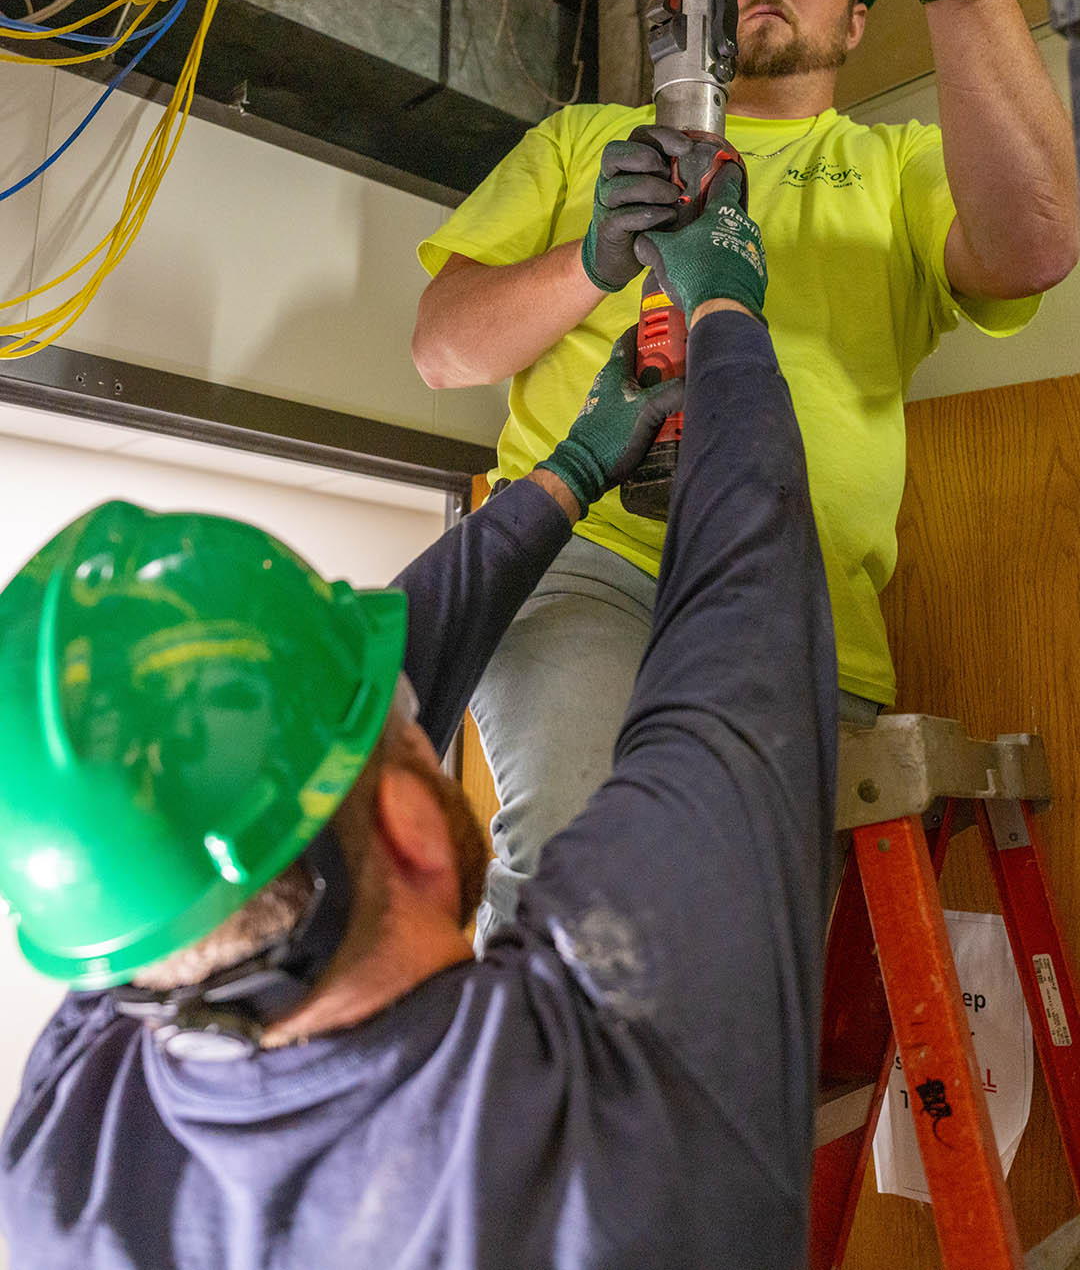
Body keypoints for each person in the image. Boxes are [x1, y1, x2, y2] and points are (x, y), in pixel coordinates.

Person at [0, 195, 834, 1270]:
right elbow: (743, 638)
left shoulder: (65, 1153)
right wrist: (726, 306)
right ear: (411, 828)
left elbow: (288, 771)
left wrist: (571, 473)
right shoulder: (601, 1116)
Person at [411, 0, 1079, 945]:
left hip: (801, 592)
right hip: (590, 562)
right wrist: (592, 260)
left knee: (752, 943)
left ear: (859, 10)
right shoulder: (588, 141)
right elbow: (443, 353)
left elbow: (1033, 244)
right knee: (587, 879)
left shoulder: (900, 165)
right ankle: (542, 1120)